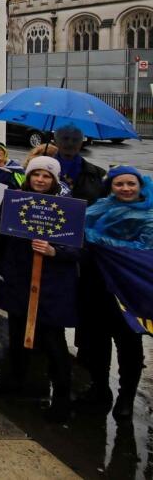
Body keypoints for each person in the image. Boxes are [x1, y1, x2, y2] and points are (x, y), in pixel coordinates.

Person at [0, 156, 80, 423]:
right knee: (18, 333)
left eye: (46, 176)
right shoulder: (17, 200)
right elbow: (1, 234)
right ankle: (15, 380)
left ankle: (62, 397)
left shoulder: (68, 206)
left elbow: (78, 247)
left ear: (54, 180)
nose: (40, 180)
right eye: (36, 175)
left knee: (53, 341)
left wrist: (55, 250)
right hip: (20, 279)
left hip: (52, 285)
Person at [78, 166, 151, 419]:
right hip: (97, 285)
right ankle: (99, 388)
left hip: (129, 288)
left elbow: (141, 249)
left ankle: (126, 398)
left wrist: (96, 239)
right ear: (111, 187)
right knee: (96, 342)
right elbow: (76, 228)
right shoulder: (99, 208)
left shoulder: (149, 213)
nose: (126, 189)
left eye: (131, 184)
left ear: (140, 186)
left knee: (129, 344)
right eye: (119, 184)